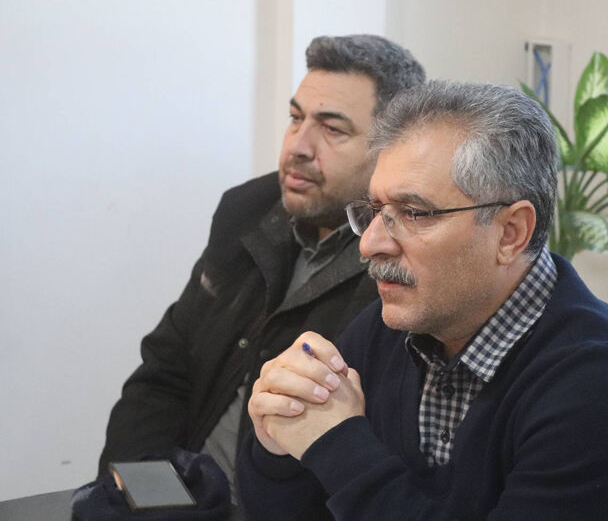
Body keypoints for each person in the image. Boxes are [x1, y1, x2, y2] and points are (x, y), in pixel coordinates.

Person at [237, 81, 608, 519]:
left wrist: (338, 443)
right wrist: (278, 441)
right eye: (376, 210)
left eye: (414, 213)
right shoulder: (390, 327)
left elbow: (344, 462)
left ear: (511, 232)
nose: (370, 243)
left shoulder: (603, 386)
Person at [98, 35, 426, 496]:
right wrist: (143, 494)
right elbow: (166, 371)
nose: (298, 146)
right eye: (296, 118)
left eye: (332, 129)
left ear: (390, 150)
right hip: (184, 493)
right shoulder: (247, 211)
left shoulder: (404, 262)